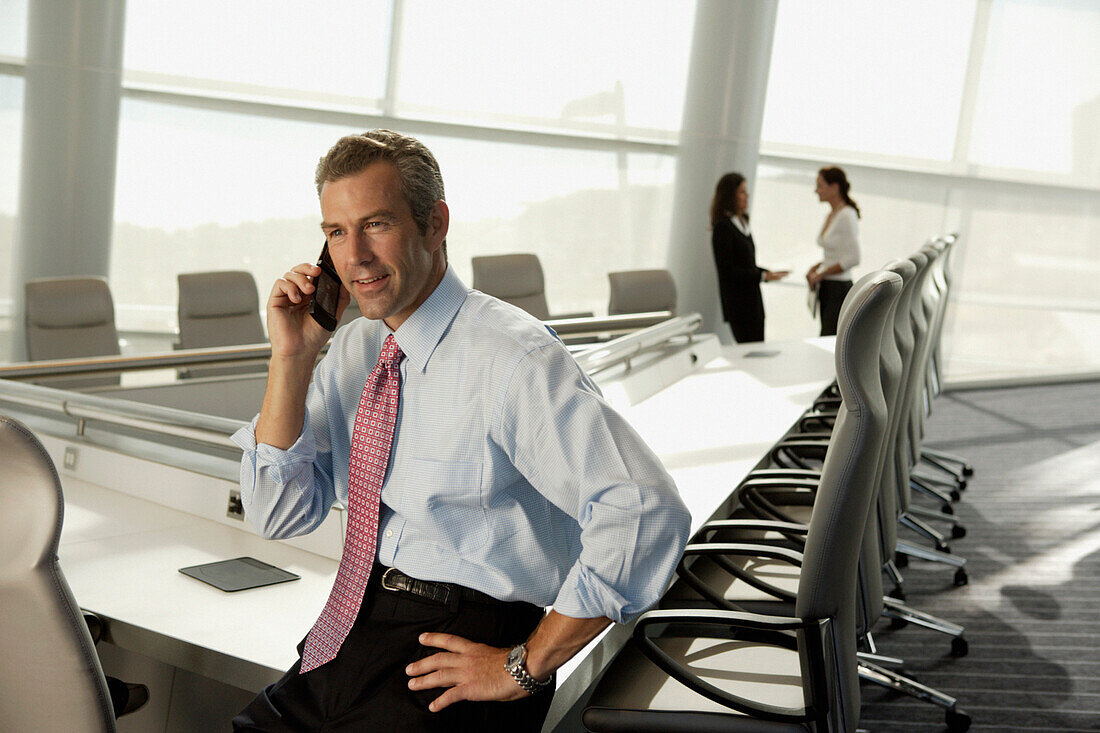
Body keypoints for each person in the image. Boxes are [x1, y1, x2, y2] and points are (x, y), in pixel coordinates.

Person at [230, 129, 691, 732]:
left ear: (435, 224)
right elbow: (277, 513)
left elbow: (644, 509)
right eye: (336, 233)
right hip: (352, 629)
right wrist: (291, 358)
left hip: (458, 648)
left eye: (377, 224)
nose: (355, 257)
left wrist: (525, 666)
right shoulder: (356, 349)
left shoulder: (511, 356)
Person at [709, 172, 788, 343]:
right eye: (742, 192)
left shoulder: (743, 222)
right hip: (739, 306)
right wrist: (762, 276)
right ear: (730, 195)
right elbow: (727, 271)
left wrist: (766, 273)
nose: (747, 196)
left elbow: (746, 264)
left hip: (753, 304)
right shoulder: (723, 228)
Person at [806, 166, 861, 336]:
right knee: (826, 335)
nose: (816, 190)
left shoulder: (846, 215)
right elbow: (836, 253)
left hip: (838, 289)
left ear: (835, 187)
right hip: (828, 287)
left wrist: (823, 273)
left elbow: (853, 258)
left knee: (829, 338)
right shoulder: (833, 214)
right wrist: (818, 267)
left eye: (820, 186)